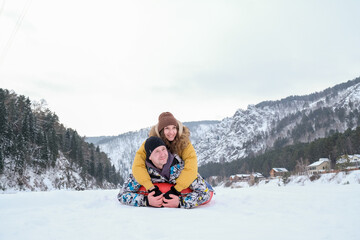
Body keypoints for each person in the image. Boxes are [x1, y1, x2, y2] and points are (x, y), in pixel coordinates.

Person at [118, 136, 213, 209]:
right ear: (149, 157)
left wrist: (181, 202)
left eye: (163, 149)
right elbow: (122, 194)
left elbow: (205, 193)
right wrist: (145, 200)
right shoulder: (143, 173)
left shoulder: (181, 169)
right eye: (157, 151)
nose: (162, 154)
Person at [132, 112, 198, 197]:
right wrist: (150, 186)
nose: (171, 132)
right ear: (161, 130)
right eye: (167, 128)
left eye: (174, 128)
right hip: (156, 175)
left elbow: (191, 165)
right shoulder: (152, 143)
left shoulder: (184, 143)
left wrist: (178, 188)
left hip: (176, 175)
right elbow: (138, 164)